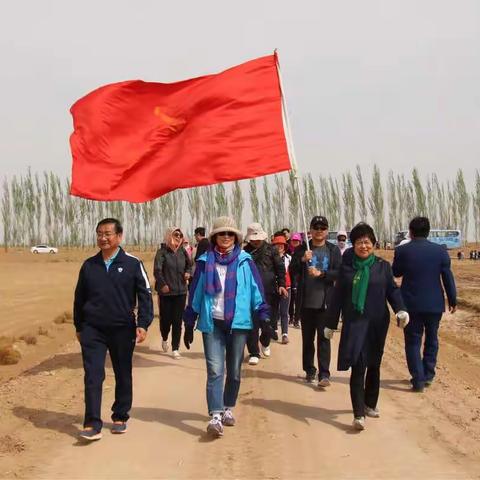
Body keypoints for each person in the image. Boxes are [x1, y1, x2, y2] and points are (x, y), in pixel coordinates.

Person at [183, 216, 271, 438]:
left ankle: (228, 407)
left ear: (236, 238)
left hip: (238, 324)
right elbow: (195, 292)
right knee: (215, 370)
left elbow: (255, 289)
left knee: (233, 373)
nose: (225, 237)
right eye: (221, 233)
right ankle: (215, 414)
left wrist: (264, 315)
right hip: (212, 323)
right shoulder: (204, 262)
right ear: (214, 237)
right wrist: (189, 319)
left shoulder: (245, 261)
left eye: (230, 234)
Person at [74, 218, 153, 441]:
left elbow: (145, 295)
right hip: (93, 329)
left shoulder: (132, 263)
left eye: (108, 233)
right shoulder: (89, 265)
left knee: (122, 372)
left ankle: (120, 416)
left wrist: (143, 323)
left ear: (119, 236)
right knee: (93, 375)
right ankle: (91, 423)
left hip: (122, 328)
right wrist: (79, 326)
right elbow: (79, 298)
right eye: (100, 233)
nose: (103, 238)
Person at [325, 222, 408, 431]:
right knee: (358, 364)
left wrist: (401, 309)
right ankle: (358, 414)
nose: (364, 246)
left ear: (374, 243)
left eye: (367, 242)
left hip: (378, 323)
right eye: (359, 242)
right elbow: (336, 300)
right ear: (353, 245)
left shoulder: (382, 267)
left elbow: (392, 291)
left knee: (374, 363)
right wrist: (330, 324)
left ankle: (370, 403)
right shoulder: (346, 270)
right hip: (355, 324)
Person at [392, 217, 457, 392]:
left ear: (410, 232)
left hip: (410, 304)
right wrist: (453, 300)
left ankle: (418, 380)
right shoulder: (440, 251)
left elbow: (396, 272)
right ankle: (428, 375)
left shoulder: (402, 251)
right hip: (434, 304)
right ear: (428, 232)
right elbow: (447, 277)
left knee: (412, 341)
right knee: (432, 339)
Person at [290, 216, 342, 387]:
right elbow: (292, 271)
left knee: (324, 338)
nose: (319, 231)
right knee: (308, 339)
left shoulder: (333, 250)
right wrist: (302, 260)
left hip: (325, 302)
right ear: (310, 230)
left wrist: (322, 274)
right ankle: (309, 369)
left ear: (327, 231)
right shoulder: (303, 249)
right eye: (316, 227)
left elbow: (339, 273)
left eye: (323, 227)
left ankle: (324, 374)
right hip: (306, 302)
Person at [244, 223, 287, 365]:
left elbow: (280, 269)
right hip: (250, 293)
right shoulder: (245, 252)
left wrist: (281, 285)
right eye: (253, 238)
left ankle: (265, 341)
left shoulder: (272, 250)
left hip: (269, 292)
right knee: (252, 323)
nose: (255, 241)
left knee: (268, 322)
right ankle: (254, 352)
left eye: (258, 238)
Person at [153, 227, 192, 359]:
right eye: (176, 234)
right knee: (166, 321)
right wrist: (163, 284)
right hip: (166, 293)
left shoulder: (183, 251)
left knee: (177, 321)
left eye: (180, 235)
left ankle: (175, 348)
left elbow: (190, 265)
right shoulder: (162, 252)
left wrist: (188, 272)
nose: (178, 237)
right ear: (169, 235)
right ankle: (164, 337)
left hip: (181, 291)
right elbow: (157, 270)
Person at [272, 234, 292, 344]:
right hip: (274, 288)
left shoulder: (289, 258)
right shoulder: (270, 258)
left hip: (287, 287)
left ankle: (285, 334)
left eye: (281, 245)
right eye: (277, 245)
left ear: (285, 246)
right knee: (274, 311)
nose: (279, 246)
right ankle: (274, 331)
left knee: (284, 311)